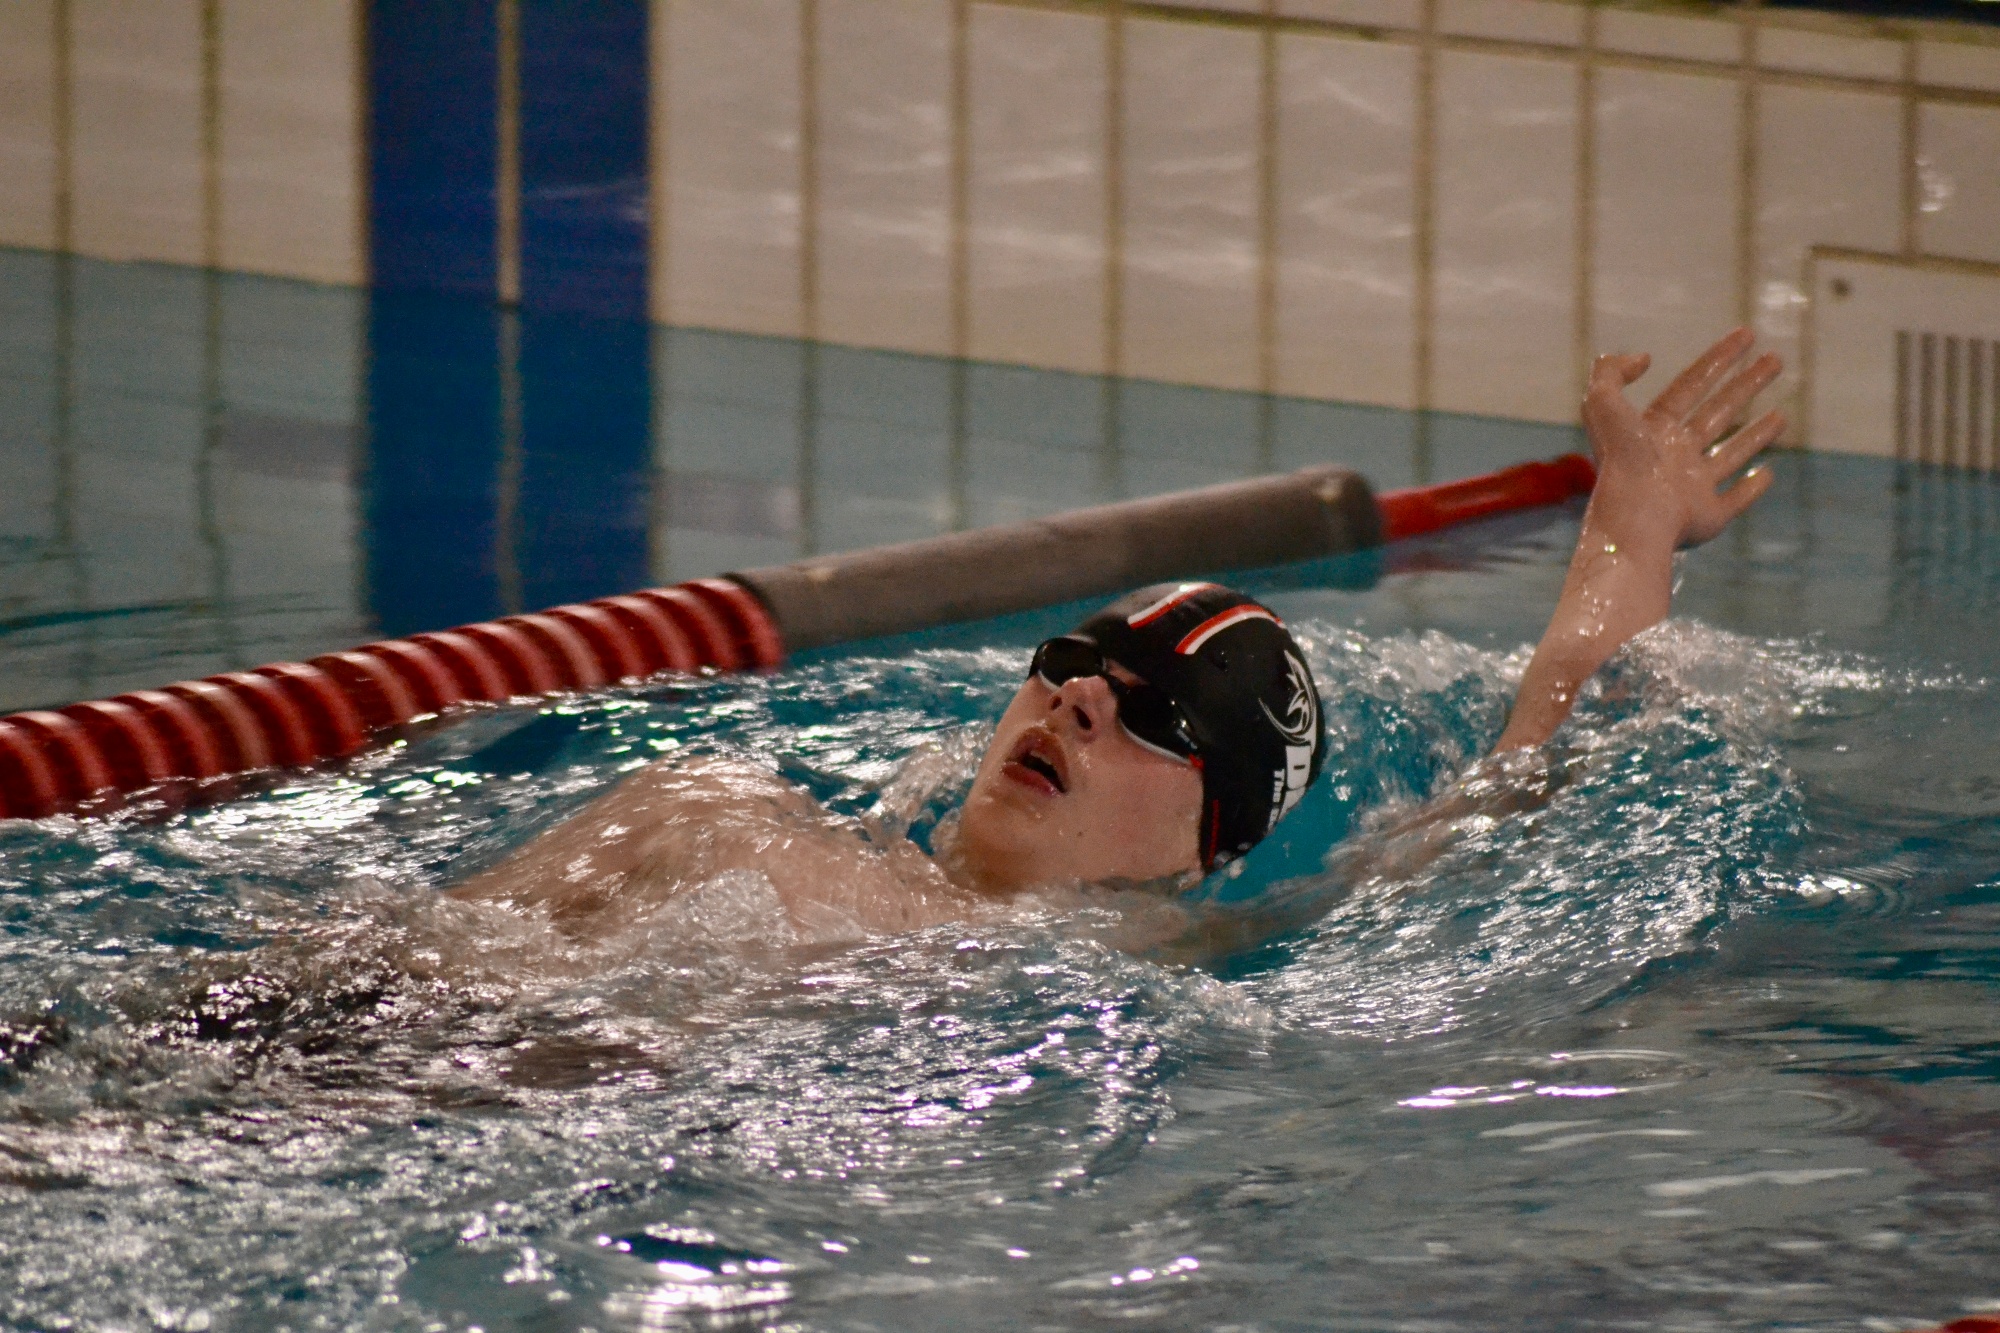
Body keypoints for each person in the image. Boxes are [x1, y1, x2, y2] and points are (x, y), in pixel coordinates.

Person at [449, 328, 1785, 947]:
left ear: (1207, 847)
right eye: (1072, 665)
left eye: (1155, 712)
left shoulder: (1141, 958)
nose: (1079, 701)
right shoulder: (715, 813)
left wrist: (1630, 532)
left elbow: (1490, 810)